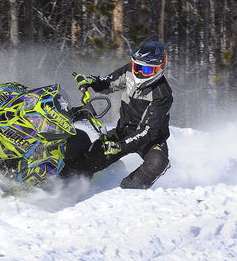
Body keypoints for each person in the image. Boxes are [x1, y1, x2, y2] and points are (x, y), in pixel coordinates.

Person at [71, 41, 173, 189]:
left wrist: (120, 146)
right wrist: (91, 82)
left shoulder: (162, 94)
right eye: (137, 67)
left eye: (146, 70)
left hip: (151, 140)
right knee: (88, 160)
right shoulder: (129, 72)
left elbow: (147, 131)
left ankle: (127, 192)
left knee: (158, 162)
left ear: (159, 69)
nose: (139, 73)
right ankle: (73, 184)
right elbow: (108, 83)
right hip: (122, 131)